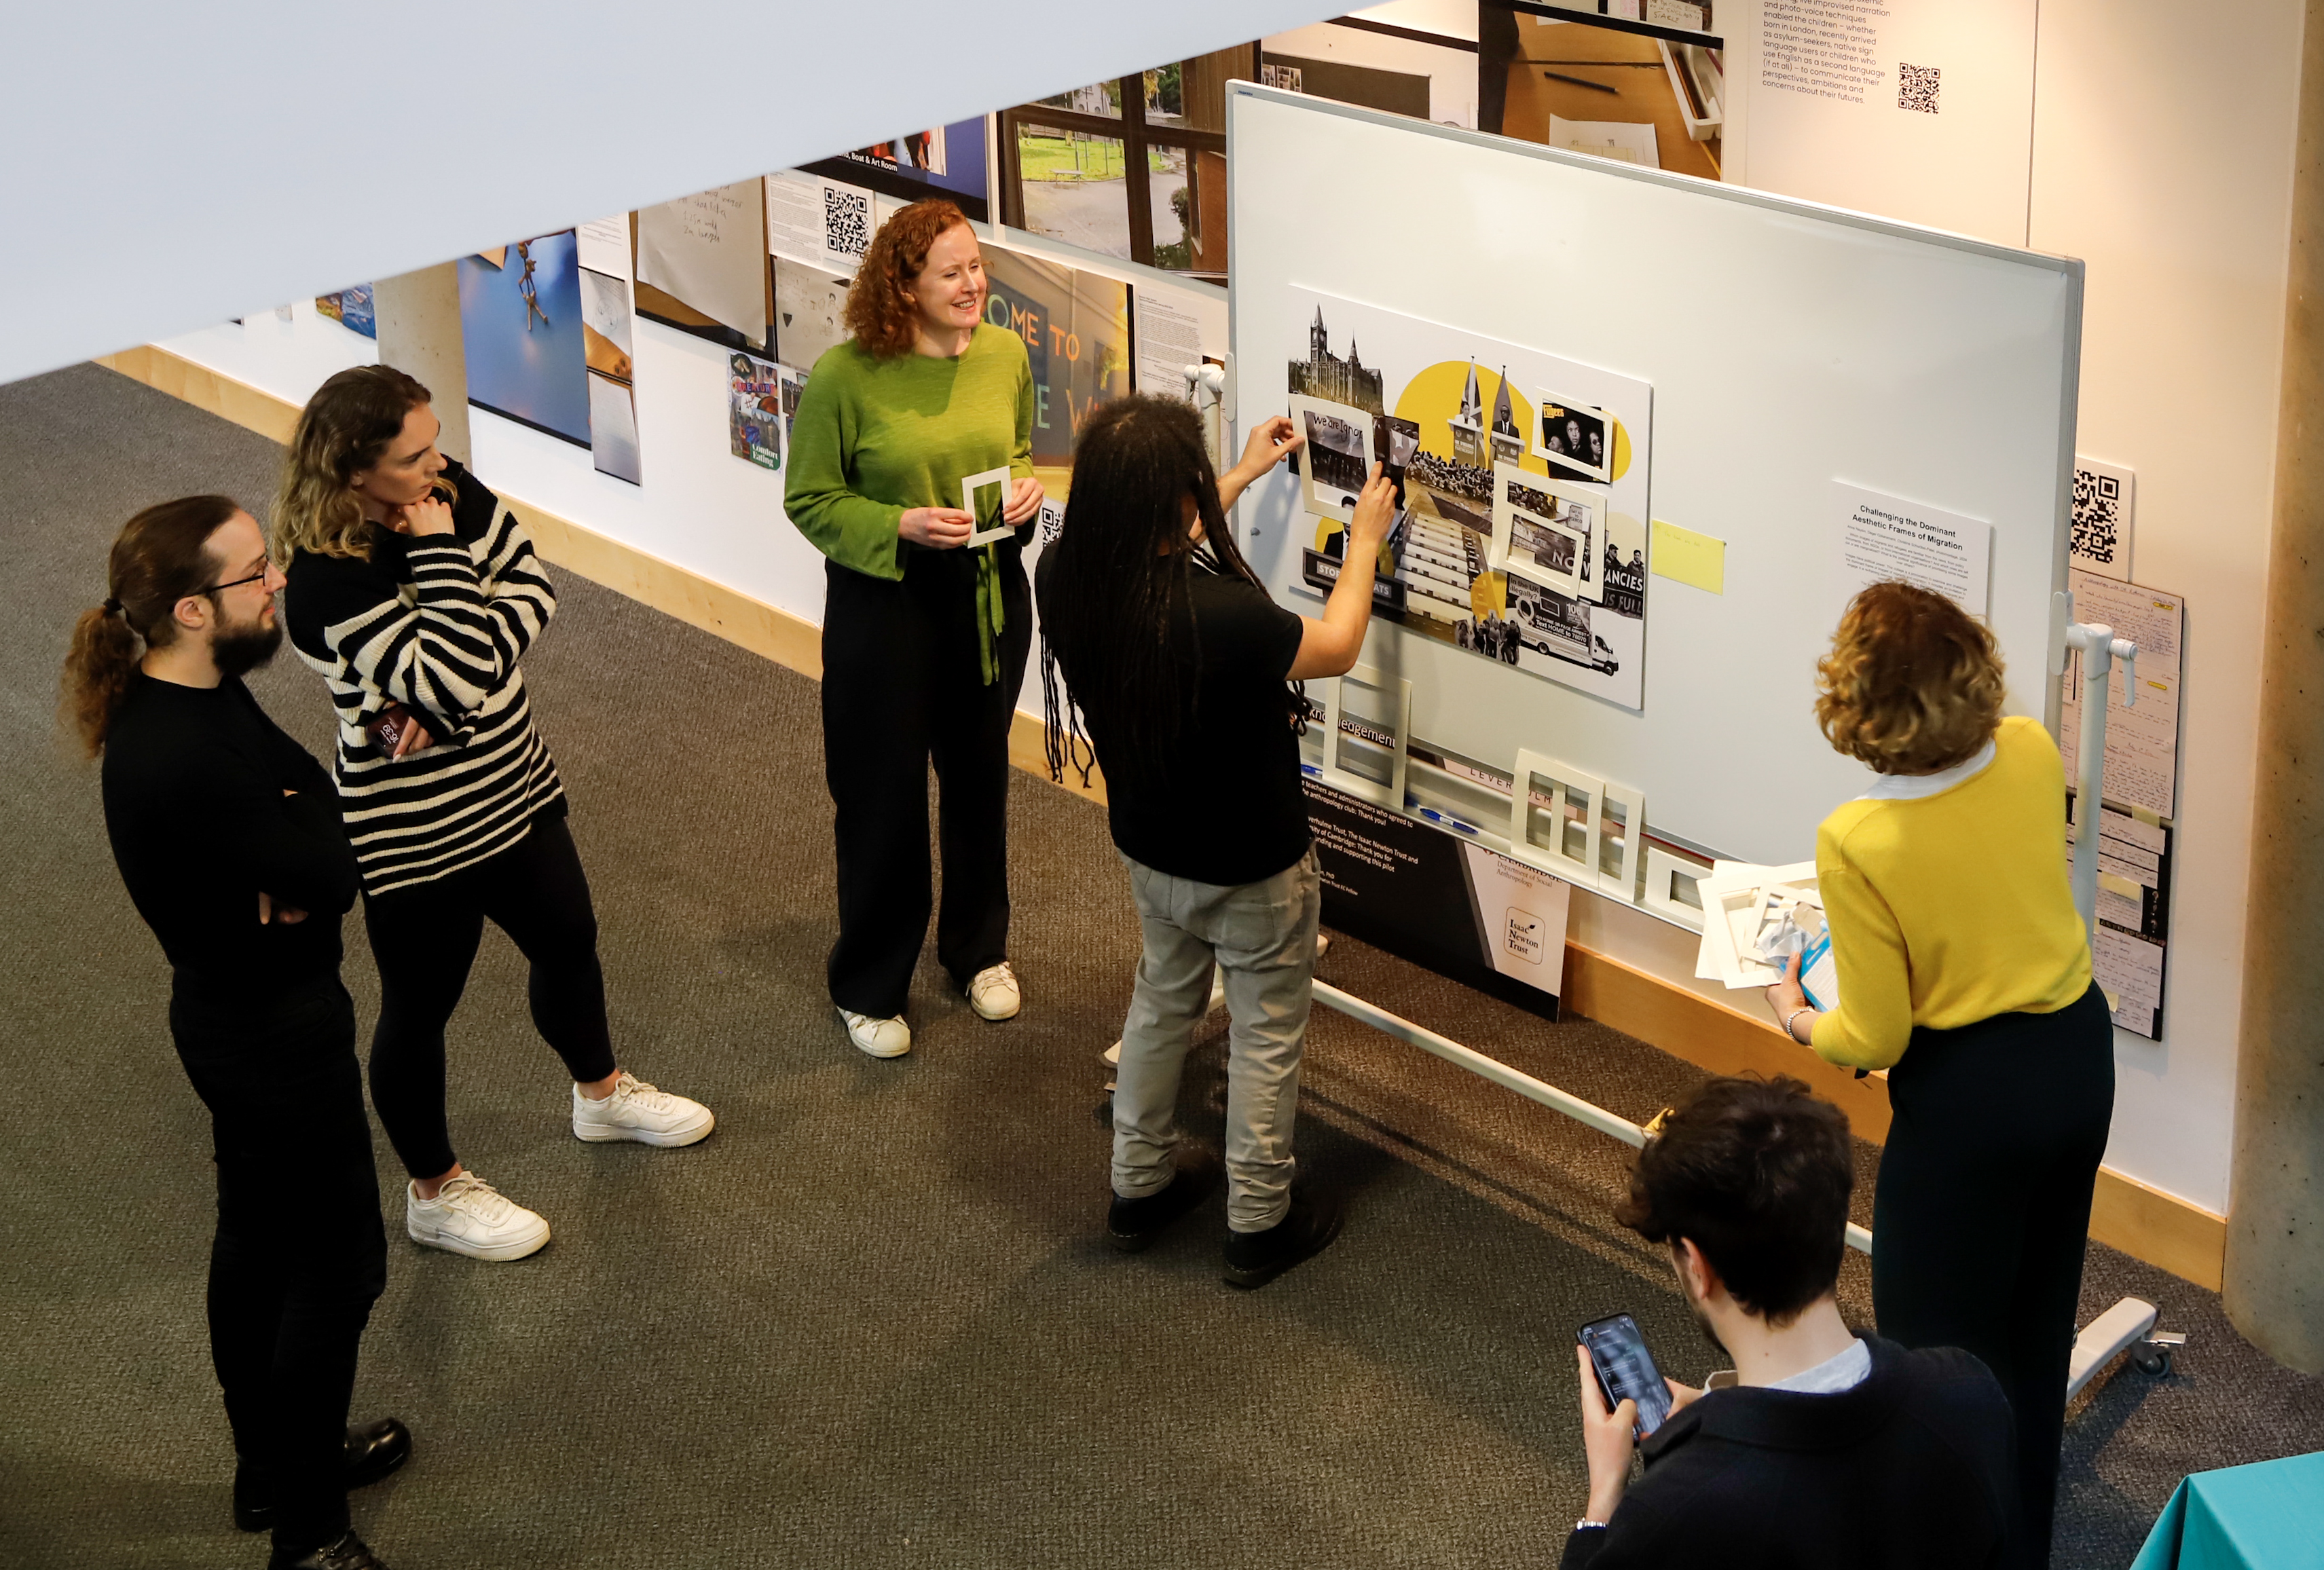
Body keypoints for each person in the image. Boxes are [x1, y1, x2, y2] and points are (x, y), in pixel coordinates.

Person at [276, 365, 714, 1264]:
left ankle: (601, 1096)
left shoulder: (445, 488)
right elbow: (462, 665)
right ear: (354, 471)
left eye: (436, 444)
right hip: (414, 824)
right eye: (414, 456)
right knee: (421, 1007)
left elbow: (531, 589)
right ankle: (435, 1192)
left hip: (513, 777)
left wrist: (444, 694)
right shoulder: (325, 582)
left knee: (569, 938)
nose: (438, 466)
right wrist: (444, 562)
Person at [66, 496, 409, 1570]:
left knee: (257, 1239)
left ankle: (269, 1466)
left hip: (242, 1019)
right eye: (257, 571)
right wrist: (304, 832)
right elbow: (332, 868)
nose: (279, 583)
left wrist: (302, 822)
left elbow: (308, 813)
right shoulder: (183, 753)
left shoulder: (197, 692)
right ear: (191, 609)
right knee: (338, 1271)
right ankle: (308, 1534)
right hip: (271, 1038)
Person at [1764, 579, 2109, 1564]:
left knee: (1934, 1353)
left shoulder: (1857, 839)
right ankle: (2019, 1544)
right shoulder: (2032, 749)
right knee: (2035, 1324)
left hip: (1970, 1101)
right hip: (2075, 1061)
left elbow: (1875, 1035)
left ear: (1858, 701)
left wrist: (1798, 1019)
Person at [1037, 393, 1395, 1288]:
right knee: (1265, 1032)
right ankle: (1257, 1222)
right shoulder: (1225, 618)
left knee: (1163, 1002)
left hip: (1152, 849)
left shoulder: (1066, 572)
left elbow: (1150, 542)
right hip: (1252, 867)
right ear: (1179, 501)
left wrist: (1234, 475)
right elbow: (1337, 644)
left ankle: (1138, 1186)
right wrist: (1362, 541)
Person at [1564, 1074, 2020, 1569]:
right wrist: (1720, 1414)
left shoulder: (1675, 1511)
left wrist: (1603, 1502)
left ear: (1697, 1267)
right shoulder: (1968, 1394)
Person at [783, 198, 1044, 1059]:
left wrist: (1024, 492)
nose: (973, 285)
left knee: (978, 782)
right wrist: (897, 525)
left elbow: (1014, 451)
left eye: (977, 267)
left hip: (985, 595)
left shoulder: (1005, 355)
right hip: (886, 604)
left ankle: (979, 952)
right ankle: (869, 985)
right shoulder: (845, 377)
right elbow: (810, 499)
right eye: (951, 273)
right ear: (903, 286)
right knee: (881, 796)